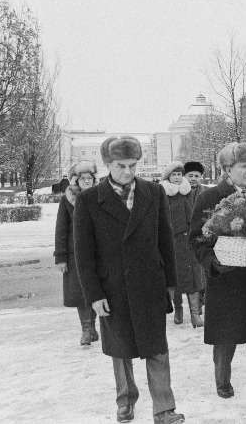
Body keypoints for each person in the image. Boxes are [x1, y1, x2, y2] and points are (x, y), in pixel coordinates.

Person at [74, 136, 184, 424]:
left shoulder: (154, 192)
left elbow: (165, 239)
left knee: (157, 347)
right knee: (120, 349)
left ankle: (164, 408)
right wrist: (94, 295)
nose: (128, 171)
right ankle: (125, 400)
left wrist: (171, 283)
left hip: (150, 283)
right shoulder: (89, 199)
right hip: (112, 288)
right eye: (121, 165)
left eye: (132, 165)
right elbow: (83, 254)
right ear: (107, 164)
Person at [189, 142, 246, 418]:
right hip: (226, 280)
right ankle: (223, 379)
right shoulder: (210, 198)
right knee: (225, 337)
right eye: (244, 166)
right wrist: (213, 262)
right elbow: (197, 238)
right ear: (228, 169)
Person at [54, 161, 99, 346]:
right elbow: (61, 229)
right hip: (74, 254)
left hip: (97, 252)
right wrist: (61, 257)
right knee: (81, 292)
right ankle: (86, 330)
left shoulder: (101, 196)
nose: (87, 181)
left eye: (90, 178)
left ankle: (94, 326)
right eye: (83, 178)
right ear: (76, 181)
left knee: (96, 290)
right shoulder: (67, 199)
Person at [160, 161, 204, 328]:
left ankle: (194, 313)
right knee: (176, 276)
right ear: (168, 177)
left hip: (190, 239)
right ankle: (178, 309)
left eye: (179, 174)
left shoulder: (189, 191)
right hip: (172, 241)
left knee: (193, 275)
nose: (177, 177)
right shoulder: (162, 193)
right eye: (174, 175)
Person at [183, 161, 207, 315]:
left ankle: (202, 301)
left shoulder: (205, 192)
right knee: (191, 274)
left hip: (203, 235)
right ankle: (194, 306)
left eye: (196, 176)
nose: (193, 178)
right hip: (185, 237)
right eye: (190, 175)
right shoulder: (181, 192)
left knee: (203, 271)